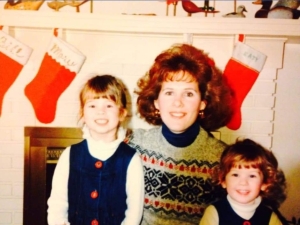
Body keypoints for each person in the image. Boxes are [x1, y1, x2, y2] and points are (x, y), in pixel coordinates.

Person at [127, 43, 234, 225]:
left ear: (203, 103)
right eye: (169, 93)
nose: (178, 103)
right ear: (156, 102)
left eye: (189, 94)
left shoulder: (223, 159)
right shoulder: (134, 145)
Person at [47, 75, 144, 225]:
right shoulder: (69, 155)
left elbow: (133, 215)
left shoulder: (131, 159)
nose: (101, 112)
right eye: (92, 105)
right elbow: (57, 205)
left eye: (109, 105)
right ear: (82, 113)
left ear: (122, 113)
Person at [200, 138, 287, 225]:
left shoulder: (269, 217)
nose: (243, 182)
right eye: (235, 175)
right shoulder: (214, 213)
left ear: (265, 183)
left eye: (252, 176)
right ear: (223, 180)